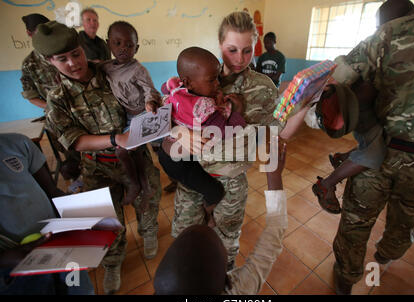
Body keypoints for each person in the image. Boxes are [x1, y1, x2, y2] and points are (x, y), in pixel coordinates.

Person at [320, 0, 414, 294]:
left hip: (383, 146)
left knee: (355, 222)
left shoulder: (389, 35)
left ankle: (345, 278)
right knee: (404, 224)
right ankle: (384, 258)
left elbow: (335, 86)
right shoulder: (393, 30)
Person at [32, 21, 162, 295]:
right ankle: (113, 263)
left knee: (148, 200)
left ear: (84, 49)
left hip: (135, 156)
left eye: (76, 54)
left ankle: (149, 234)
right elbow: (74, 139)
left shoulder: (109, 71)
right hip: (97, 167)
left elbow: (145, 94)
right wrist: (115, 140)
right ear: (49, 61)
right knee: (105, 221)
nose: (73, 63)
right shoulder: (58, 97)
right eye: (62, 59)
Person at [170, 11, 287, 271]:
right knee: (185, 240)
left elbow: (276, 132)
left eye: (247, 51)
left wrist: (302, 104)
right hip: (193, 176)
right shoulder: (198, 73)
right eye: (232, 50)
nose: (239, 59)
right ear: (220, 44)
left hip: (231, 180)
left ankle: (225, 285)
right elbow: (166, 118)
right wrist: (175, 133)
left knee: (226, 243)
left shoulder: (264, 88)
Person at [311, 0, 414, 214]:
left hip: (372, 109)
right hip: (361, 107)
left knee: (375, 140)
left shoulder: (399, 43)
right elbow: (340, 77)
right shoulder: (378, 43)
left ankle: (343, 158)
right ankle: (326, 184)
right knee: (373, 154)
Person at [154, 140, 287, 295]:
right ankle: (229, 260)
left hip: (200, 172)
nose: (210, 223)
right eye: (212, 230)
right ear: (226, 281)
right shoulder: (238, 289)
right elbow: (274, 234)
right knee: (227, 230)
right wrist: (274, 175)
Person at [158, 46, 247, 228]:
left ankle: (181, 183)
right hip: (180, 162)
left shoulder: (176, 87)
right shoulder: (203, 106)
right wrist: (238, 111)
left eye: (218, 77)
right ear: (189, 82)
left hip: (167, 153)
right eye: (212, 80)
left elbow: (163, 88)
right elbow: (228, 131)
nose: (217, 84)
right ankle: (209, 214)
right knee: (215, 191)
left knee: (197, 180)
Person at [0, 133, 94, 295]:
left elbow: (52, 190)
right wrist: (4, 258)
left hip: (59, 244)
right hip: (13, 268)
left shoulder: (17, 143)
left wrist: (79, 211)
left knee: (79, 288)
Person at [102, 21, 161, 206]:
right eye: (117, 43)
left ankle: (135, 185)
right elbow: (93, 67)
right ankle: (146, 187)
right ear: (108, 44)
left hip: (141, 114)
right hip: (126, 116)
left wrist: (150, 102)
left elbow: (149, 90)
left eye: (129, 45)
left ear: (136, 48)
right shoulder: (107, 67)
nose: (123, 49)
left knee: (122, 151)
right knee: (137, 153)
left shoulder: (138, 70)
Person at [20, 13, 81, 182]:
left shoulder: (69, 51)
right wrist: (52, 108)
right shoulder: (29, 64)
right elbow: (31, 95)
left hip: (83, 111)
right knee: (71, 153)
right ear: (29, 33)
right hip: (58, 118)